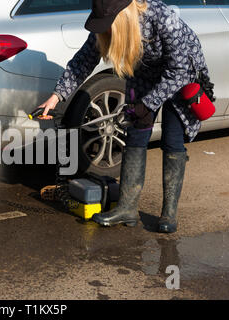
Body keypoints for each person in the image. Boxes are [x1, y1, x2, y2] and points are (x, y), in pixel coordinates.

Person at [37, 0, 213, 233]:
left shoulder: (161, 17)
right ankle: (127, 209)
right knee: (136, 133)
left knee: (172, 139)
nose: (106, 29)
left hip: (181, 76)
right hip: (144, 74)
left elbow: (178, 69)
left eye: (109, 24)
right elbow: (83, 60)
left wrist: (148, 104)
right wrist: (57, 95)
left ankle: (169, 214)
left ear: (122, 17)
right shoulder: (108, 23)